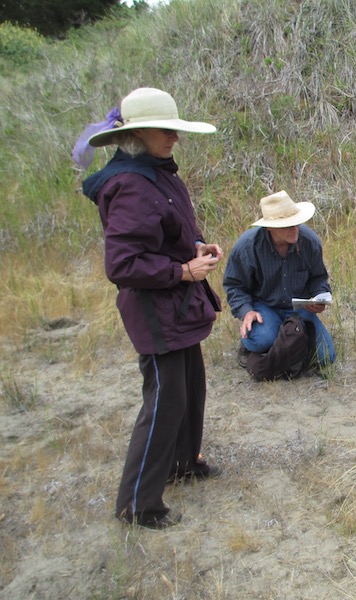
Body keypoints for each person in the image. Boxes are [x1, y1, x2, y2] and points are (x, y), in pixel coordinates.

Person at [75, 87, 223, 529]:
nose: (174, 138)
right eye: (166, 130)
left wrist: (195, 247)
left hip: (175, 307)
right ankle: (138, 504)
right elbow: (123, 264)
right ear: (138, 134)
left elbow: (165, 236)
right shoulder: (130, 185)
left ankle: (183, 464)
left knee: (190, 387)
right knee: (164, 400)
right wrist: (183, 272)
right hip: (155, 310)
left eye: (175, 130)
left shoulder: (155, 172)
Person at [223, 191, 335, 373]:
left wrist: (319, 298)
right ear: (270, 228)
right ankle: (259, 346)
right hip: (264, 306)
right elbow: (234, 285)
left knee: (325, 357)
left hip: (300, 308)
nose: (294, 229)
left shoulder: (310, 242)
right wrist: (246, 311)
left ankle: (283, 347)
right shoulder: (247, 247)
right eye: (287, 226)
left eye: (296, 223)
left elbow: (318, 278)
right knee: (260, 339)